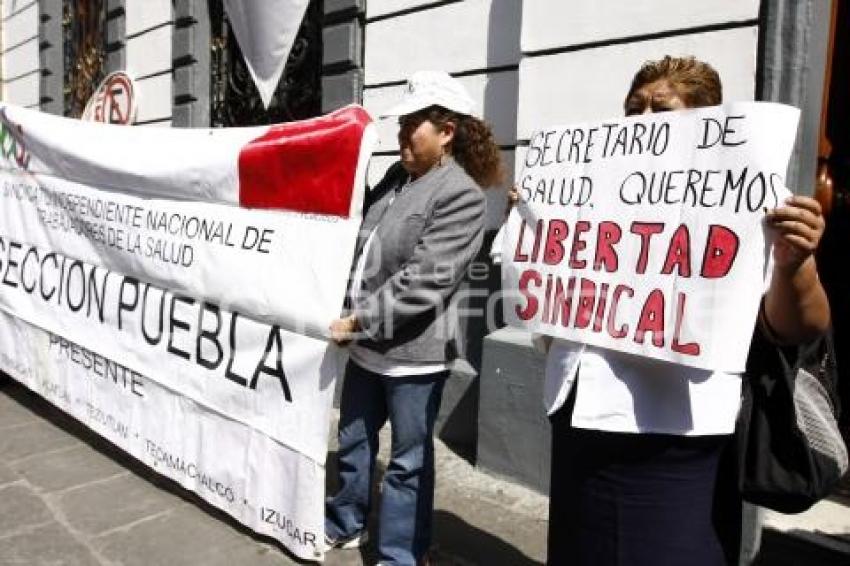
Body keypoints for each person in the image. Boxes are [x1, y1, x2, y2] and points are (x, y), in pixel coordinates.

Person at [542, 56, 830, 565]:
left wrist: (794, 264)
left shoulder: (750, 196)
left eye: (662, 108)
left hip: (674, 432)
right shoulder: (586, 187)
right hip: (580, 422)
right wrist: (536, 226)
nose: (645, 120)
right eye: (635, 109)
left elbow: (799, 326)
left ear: (705, 122)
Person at [324, 70, 503, 566]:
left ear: (446, 132)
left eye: (412, 127)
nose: (402, 136)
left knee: (407, 462)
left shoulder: (461, 196)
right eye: (401, 126)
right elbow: (361, 244)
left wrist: (358, 320)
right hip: (364, 346)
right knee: (354, 442)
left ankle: (401, 554)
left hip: (413, 358)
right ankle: (346, 523)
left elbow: (424, 281)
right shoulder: (395, 179)